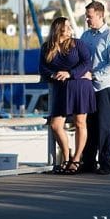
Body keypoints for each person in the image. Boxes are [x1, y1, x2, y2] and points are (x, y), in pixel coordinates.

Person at [38, 17, 95, 174]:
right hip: (61, 89)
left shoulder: (78, 44)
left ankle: (76, 160)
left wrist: (70, 73)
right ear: (58, 29)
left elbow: (87, 63)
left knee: (80, 123)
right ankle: (66, 156)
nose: (71, 28)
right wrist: (53, 74)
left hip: (80, 86)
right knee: (55, 125)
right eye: (67, 26)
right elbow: (42, 68)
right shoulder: (46, 47)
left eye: (70, 26)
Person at [79, 1, 110, 175]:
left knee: (105, 126)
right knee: (89, 125)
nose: (87, 19)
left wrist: (94, 75)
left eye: (89, 16)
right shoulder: (85, 36)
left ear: (100, 15)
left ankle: (105, 164)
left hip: (105, 86)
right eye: (86, 16)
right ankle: (88, 162)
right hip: (88, 87)